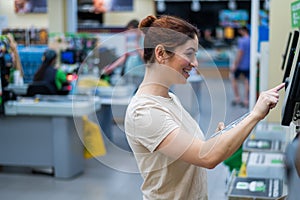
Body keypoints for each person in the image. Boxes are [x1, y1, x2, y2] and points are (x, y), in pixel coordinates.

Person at [124, 15, 285, 200]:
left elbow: (195, 150)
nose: (195, 63)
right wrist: (255, 115)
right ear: (161, 54)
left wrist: (219, 139)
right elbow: (207, 157)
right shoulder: (144, 113)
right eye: (189, 53)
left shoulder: (170, 99)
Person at [102, 19, 145, 87]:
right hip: (129, 72)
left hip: (139, 74)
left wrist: (137, 45)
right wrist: (111, 67)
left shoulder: (144, 40)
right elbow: (125, 56)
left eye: (132, 31)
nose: (131, 33)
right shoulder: (130, 41)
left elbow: (145, 58)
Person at [230, 26, 250, 107]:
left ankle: (237, 98)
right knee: (247, 81)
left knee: (233, 78)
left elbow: (240, 53)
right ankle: (246, 100)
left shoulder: (241, 41)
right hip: (248, 64)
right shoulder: (251, 39)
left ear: (243, 30)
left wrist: (235, 64)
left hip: (241, 65)